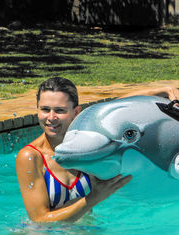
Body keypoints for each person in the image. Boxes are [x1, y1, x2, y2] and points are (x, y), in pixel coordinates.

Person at [16, 77, 179, 223]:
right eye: (45, 109)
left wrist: (165, 90)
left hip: (88, 233)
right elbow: (40, 220)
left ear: (76, 112)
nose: (51, 117)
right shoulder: (31, 156)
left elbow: (117, 106)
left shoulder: (90, 147)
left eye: (60, 110)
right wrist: (94, 198)